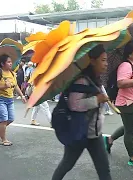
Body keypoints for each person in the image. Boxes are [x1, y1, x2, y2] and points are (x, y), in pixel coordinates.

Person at [52, 44, 111, 180]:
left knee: (104, 170)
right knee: (66, 165)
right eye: (102, 60)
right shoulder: (82, 80)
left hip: (95, 135)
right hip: (79, 133)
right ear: (92, 61)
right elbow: (74, 104)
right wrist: (96, 99)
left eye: (106, 60)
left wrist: (102, 98)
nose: (106, 64)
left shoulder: (97, 80)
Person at [104, 40, 133, 169]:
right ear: (130, 54)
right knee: (130, 130)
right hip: (126, 101)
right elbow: (121, 83)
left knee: (128, 126)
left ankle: (109, 140)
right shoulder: (125, 65)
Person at [0, 54, 26, 146]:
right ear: (2, 63)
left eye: (11, 62)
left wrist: (22, 95)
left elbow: (16, 85)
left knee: (11, 118)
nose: (10, 64)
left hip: (9, 99)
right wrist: (4, 86)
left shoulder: (12, 73)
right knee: (4, 120)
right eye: (8, 62)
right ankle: (3, 139)